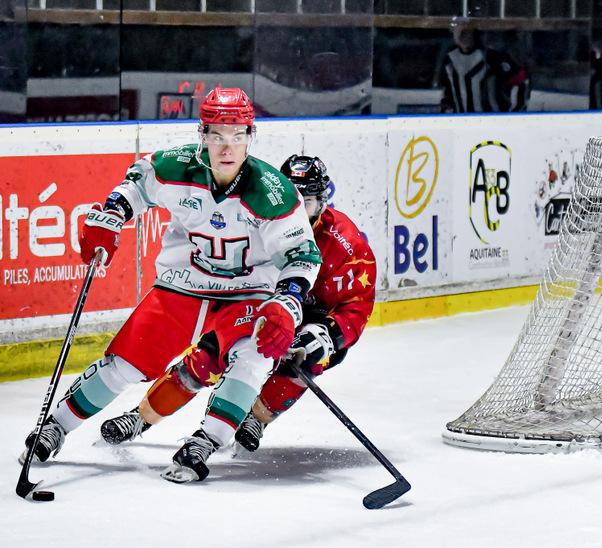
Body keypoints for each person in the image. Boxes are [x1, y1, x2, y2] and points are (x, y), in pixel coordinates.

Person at [21, 87, 322, 483]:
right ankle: (55, 426)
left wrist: (287, 302)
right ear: (203, 134)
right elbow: (136, 185)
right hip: (182, 285)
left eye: (237, 136)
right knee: (125, 364)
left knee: (254, 356)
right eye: (217, 135)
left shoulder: (273, 191)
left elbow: (302, 255)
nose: (227, 147)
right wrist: (111, 215)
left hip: (246, 293)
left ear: (251, 136)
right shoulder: (175, 166)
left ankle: (205, 442)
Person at [101, 154, 376, 456]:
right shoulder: (257, 219)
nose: (298, 208)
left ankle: (257, 417)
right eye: (294, 197)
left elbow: (357, 304)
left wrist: (328, 334)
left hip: (312, 316)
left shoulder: (346, 243)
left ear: (323, 202)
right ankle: (140, 417)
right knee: (205, 359)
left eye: (307, 201)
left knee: (305, 358)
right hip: (260, 304)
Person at [439, 16, 529, 113]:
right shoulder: (449, 60)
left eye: (466, 32)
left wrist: (515, 112)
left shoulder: (491, 57)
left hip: (493, 120)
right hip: (460, 120)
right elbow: (447, 89)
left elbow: (521, 79)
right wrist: (446, 107)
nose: (463, 36)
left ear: (474, 33)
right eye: (458, 32)